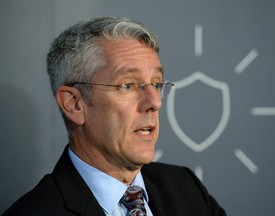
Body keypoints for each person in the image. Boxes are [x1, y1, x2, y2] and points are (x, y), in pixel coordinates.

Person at [3, 17, 226, 216]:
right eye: (127, 85)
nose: (155, 102)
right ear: (74, 104)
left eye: (157, 84)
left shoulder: (186, 188)